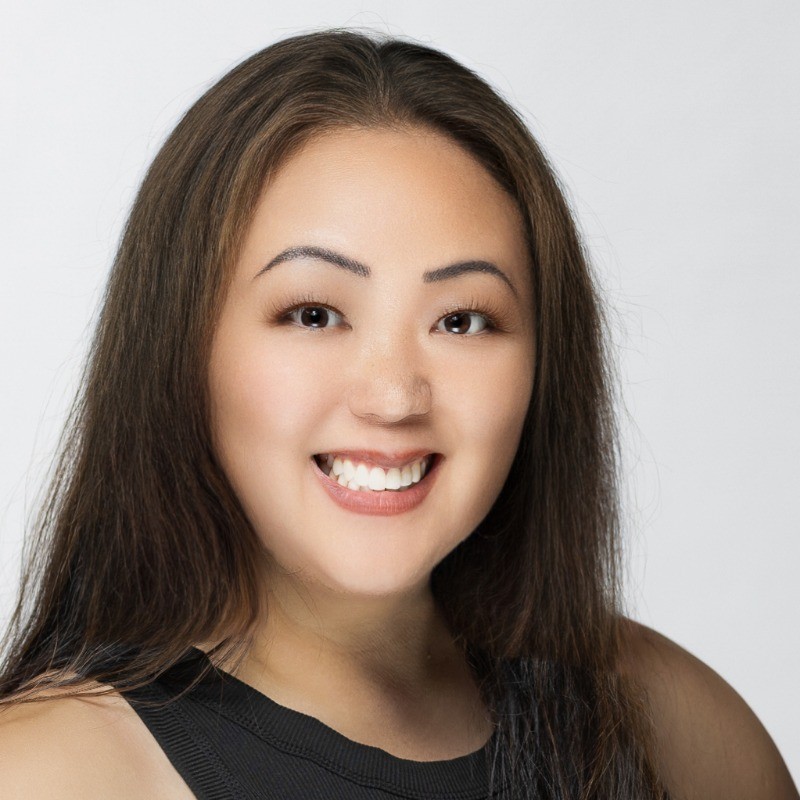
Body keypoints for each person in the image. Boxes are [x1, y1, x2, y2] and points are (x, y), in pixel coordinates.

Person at [0, 28, 796, 800]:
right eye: (313, 313)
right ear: (181, 348)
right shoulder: (46, 772)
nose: (392, 398)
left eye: (462, 321)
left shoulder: (667, 726)